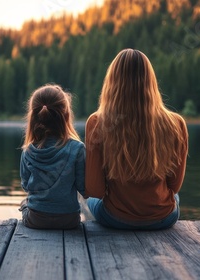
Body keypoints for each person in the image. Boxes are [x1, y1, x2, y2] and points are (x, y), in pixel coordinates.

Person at [85, 49, 188, 230]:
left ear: (112, 83)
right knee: (175, 198)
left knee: (87, 199)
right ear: (151, 82)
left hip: (116, 218)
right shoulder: (176, 124)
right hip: (163, 218)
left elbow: (95, 190)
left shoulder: (97, 123)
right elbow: (174, 186)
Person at [19, 84, 85, 229]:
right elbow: (83, 187)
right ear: (66, 115)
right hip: (70, 220)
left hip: (36, 220)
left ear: (34, 117)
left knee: (24, 203)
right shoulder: (77, 149)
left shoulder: (28, 151)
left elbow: (25, 185)